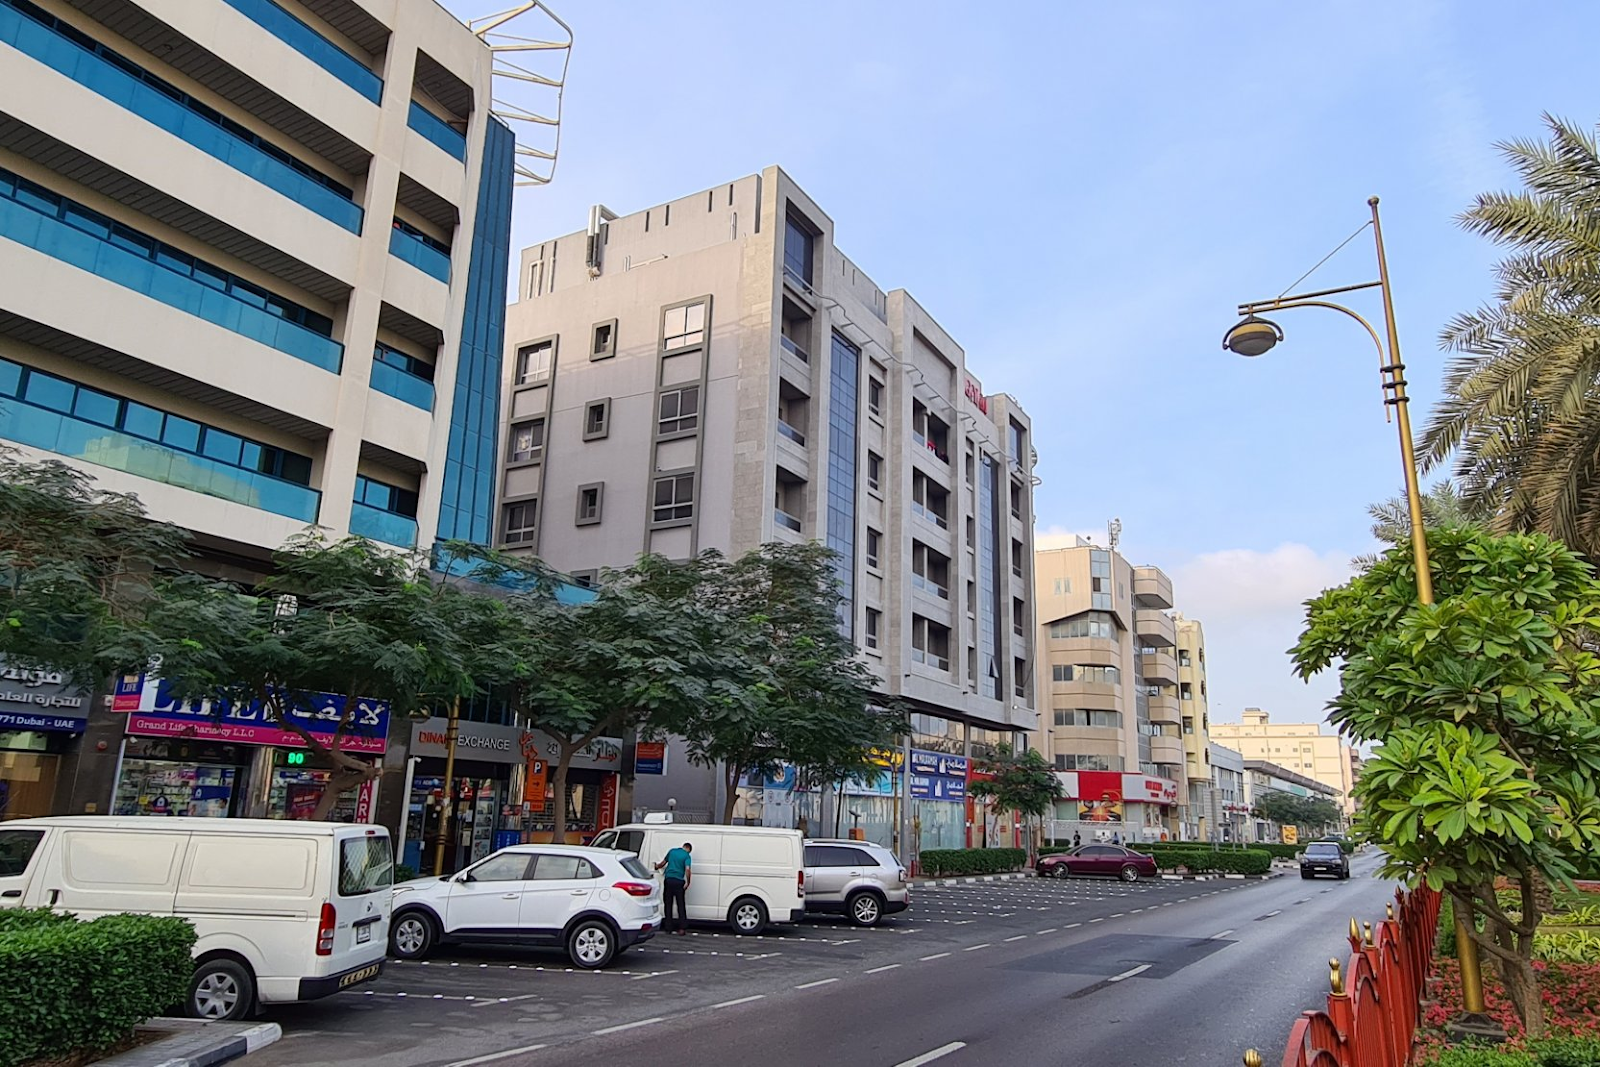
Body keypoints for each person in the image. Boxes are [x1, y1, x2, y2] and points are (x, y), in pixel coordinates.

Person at [654, 841, 693, 935]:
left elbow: (663, 863)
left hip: (668, 880)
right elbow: (687, 869)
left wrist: (656, 866)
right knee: (680, 904)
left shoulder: (672, 851)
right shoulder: (687, 856)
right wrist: (688, 882)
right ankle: (682, 928)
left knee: (668, 904)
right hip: (679, 881)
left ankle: (668, 928)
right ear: (688, 849)